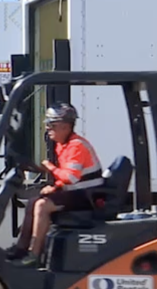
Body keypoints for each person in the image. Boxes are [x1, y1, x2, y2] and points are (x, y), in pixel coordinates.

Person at [8, 103, 103, 266]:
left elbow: (71, 178)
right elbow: (66, 176)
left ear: (65, 127)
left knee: (42, 206)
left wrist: (50, 168)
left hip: (88, 195)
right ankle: (21, 248)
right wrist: (55, 187)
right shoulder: (64, 145)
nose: (48, 129)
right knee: (33, 202)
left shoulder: (77, 146)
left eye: (52, 125)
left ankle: (34, 255)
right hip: (77, 191)